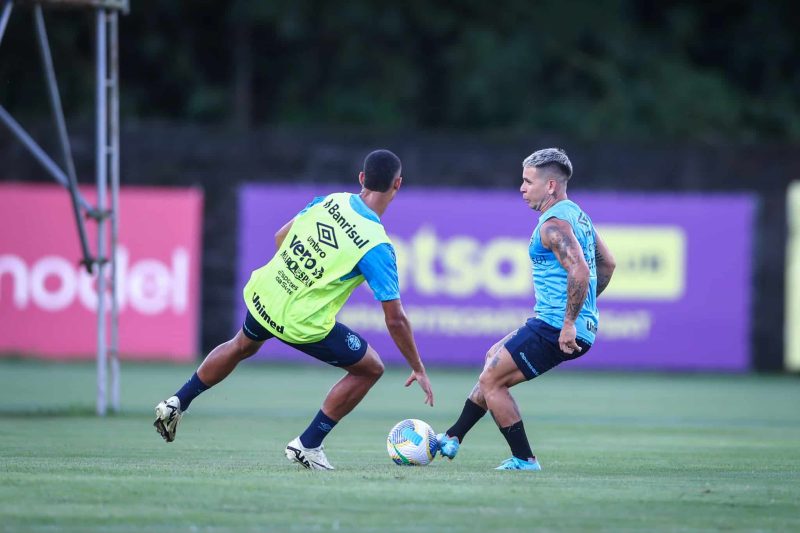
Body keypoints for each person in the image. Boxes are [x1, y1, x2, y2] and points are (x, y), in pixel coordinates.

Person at [153, 149, 434, 470]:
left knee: (241, 344)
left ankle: (176, 402)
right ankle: (308, 444)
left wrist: (292, 280)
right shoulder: (376, 245)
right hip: (301, 321)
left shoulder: (330, 201)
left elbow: (280, 237)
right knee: (370, 368)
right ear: (397, 184)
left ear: (361, 178)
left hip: (268, 293)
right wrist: (417, 366)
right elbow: (395, 318)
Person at [436, 148, 615, 471]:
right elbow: (609, 264)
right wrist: (583, 310)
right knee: (493, 359)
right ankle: (452, 437)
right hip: (558, 322)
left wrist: (569, 321)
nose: (521, 188)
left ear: (550, 186)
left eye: (528, 181)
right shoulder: (578, 216)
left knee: (492, 380)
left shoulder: (554, 225)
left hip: (553, 325)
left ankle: (524, 459)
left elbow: (581, 271)